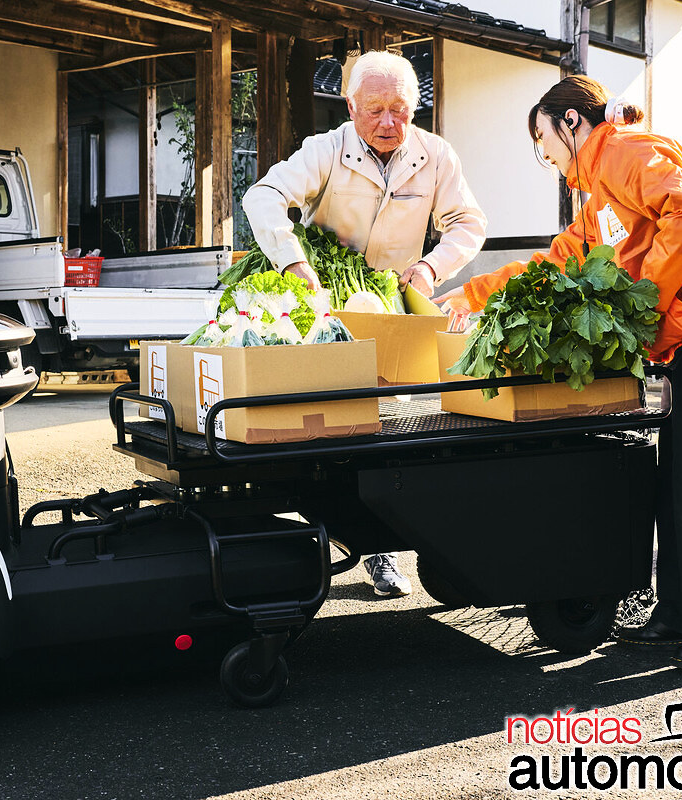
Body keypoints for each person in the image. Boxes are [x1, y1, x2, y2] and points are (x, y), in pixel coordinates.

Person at [435, 75, 682, 673]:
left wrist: (644, 303)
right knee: (681, 481)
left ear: (571, 122)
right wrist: (472, 294)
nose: (544, 157)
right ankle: (680, 616)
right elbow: (558, 261)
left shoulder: (623, 149)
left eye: (543, 139)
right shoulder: (599, 199)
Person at [243, 50, 487, 598]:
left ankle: (380, 550)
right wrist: (294, 262)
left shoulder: (435, 155)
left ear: (415, 106)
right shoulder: (326, 150)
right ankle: (314, 540)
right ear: (350, 106)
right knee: (324, 430)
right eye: (374, 109)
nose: (388, 123)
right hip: (322, 305)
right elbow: (262, 196)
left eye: (400, 110)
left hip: (388, 310)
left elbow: (470, 223)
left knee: (383, 436)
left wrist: (429, 267)